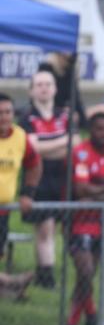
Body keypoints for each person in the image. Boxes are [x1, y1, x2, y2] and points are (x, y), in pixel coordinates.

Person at [63, 112, 104, 325]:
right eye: (100, 129)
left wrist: (95, 194)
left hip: (99, 224)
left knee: (88, 275)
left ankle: (84, 322)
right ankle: (79, 320)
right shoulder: (80, 153)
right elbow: (80, 190)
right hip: (77, 223)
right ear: (91, 130)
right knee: (85, 272)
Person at [18, 68, 70, 289]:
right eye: (39, 84)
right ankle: (47, 276)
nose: (44, 88)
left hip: (62, 178)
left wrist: (46, 146)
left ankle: (43, 271)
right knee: (45, 227)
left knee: (53, 228)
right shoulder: (27, 117)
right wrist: (62, 142)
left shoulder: (63, 115)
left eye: (48, 84)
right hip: (38, 178)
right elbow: (32, 148)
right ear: (31, 90)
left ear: (55, 88)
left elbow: (74, 144)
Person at [0, 91, 40, 298]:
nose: (4, 117)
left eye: (8, 112)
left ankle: (10, 286)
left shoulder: (19, 137)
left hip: (3, 212)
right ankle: (11, 283)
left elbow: (34, 165)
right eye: (0, 113)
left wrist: (27, 193)